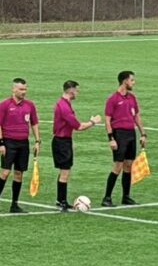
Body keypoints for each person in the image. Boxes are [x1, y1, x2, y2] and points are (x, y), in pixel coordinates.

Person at [51, 81, 101, 212]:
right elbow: (79, 126)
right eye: (76, 90)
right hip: (62, 142)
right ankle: (62, 201)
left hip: (63, 140)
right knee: (65, 172)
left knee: (64, 171)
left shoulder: (64, 104)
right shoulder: (64, 107)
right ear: (71, 90)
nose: (77, 93)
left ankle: (60, 199)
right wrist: (93, 122)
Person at [0, 78, 40, 214]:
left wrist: (37, 141)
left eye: (25, 89)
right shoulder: (4, 105)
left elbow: (34, 123)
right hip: (8, 142)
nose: (24, 92)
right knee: (5, 172)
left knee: (19, 174)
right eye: (21, 89)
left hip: (23, 143)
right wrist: (1, 143)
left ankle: (14, 204)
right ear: (13, 89)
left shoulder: (30, 105)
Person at [103, 70, 146, 206]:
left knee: (128, 165)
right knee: (118, 166)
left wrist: (143, 133)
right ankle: (107, 197)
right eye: (132, 80)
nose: (134, 82)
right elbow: (108, 120)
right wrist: (111, 138)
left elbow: (137, 116)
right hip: (119, 134)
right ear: (124, 81)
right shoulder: (113, 99)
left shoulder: (132, 98)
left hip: (130, 134)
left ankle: (126, 196)